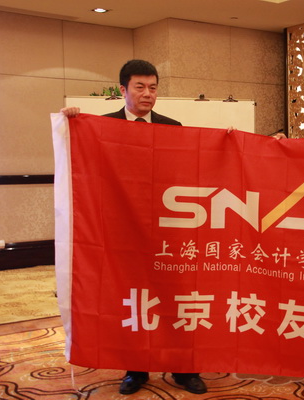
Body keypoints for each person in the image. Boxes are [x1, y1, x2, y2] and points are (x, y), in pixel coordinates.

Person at [61, 59, 207, 396]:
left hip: (166, 228)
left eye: (153, 88)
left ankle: (184, 369)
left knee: (174, 298)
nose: (147, 94)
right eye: (139, 87)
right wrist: (70, 124)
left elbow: (185, 170)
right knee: (132, 299)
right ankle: (136, 369)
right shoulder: (102, 126)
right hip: (122, 231)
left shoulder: (172, 127)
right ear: (123, 90)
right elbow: (79, 163)